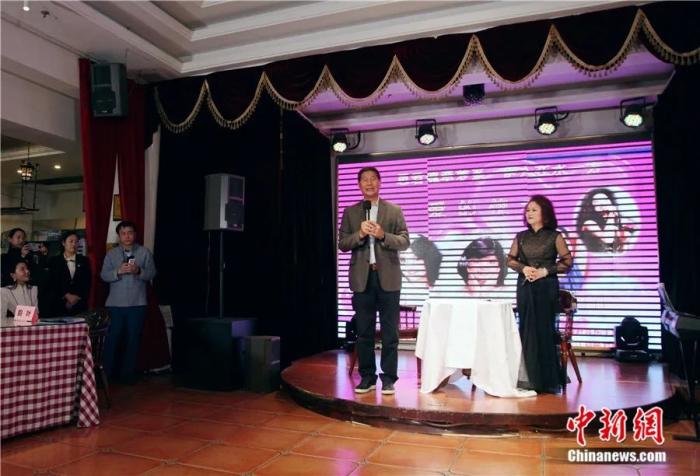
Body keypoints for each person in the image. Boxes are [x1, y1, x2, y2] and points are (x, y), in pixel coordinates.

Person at [339, 166, 410, 395]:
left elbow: (405, 241)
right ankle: (367, 377)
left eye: (373, 179)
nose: (369, 183)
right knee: (364, 332)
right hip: (362, 278)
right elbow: (342, 244)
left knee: (390, 333)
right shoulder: (350, 212)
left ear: (380, 182)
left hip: (388, 277)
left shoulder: (394, 210)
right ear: (359, 185)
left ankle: (388, 379)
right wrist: (360, 234)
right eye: (364, 180)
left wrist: (383, 235)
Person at [507, 195, 573, 394]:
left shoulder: (555, 236)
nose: (529, 213)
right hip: (525, 286)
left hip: (546, 287)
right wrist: (524, 268)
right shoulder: (521, 236)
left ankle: (546, 379)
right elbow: (510, 260)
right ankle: (527, 377)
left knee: (544, 329)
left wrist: (546, 271)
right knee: (526, 328)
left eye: (534, 210)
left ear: (545, 213)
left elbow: (567, 263)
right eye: (527, 210)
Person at [101, 221, 156, 382]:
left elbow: (152, 273)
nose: (127, 236)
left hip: (137, 303)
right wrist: (117, 271)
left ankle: (128, 374)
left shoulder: (144, 252)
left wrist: (139, 270)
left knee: (133, 340)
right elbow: (103, 275)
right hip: (115, 304)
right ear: (119, 236)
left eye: (130, 233)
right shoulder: (111, 254)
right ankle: (107, 374)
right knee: (112, 339)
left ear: (135, 234)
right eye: (123, 233)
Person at [576, 188, 636, 253]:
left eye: (605, 200)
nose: (602, 204)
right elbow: (607, 240)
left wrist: (623, 242)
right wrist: (611, 215)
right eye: (596, 202)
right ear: (591, 208)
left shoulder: (614, 224)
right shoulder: (589, 224)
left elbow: (619, 254)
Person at [48, 231, 91, 317]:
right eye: (71, 241)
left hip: (79, 304)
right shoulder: (54, 261)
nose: (74, 244)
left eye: (76, 242)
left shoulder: (84, 260)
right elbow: (52, 282)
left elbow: (87, 281)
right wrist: (66, 295)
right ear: (63, 243)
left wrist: (76, 297)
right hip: (59, 304)